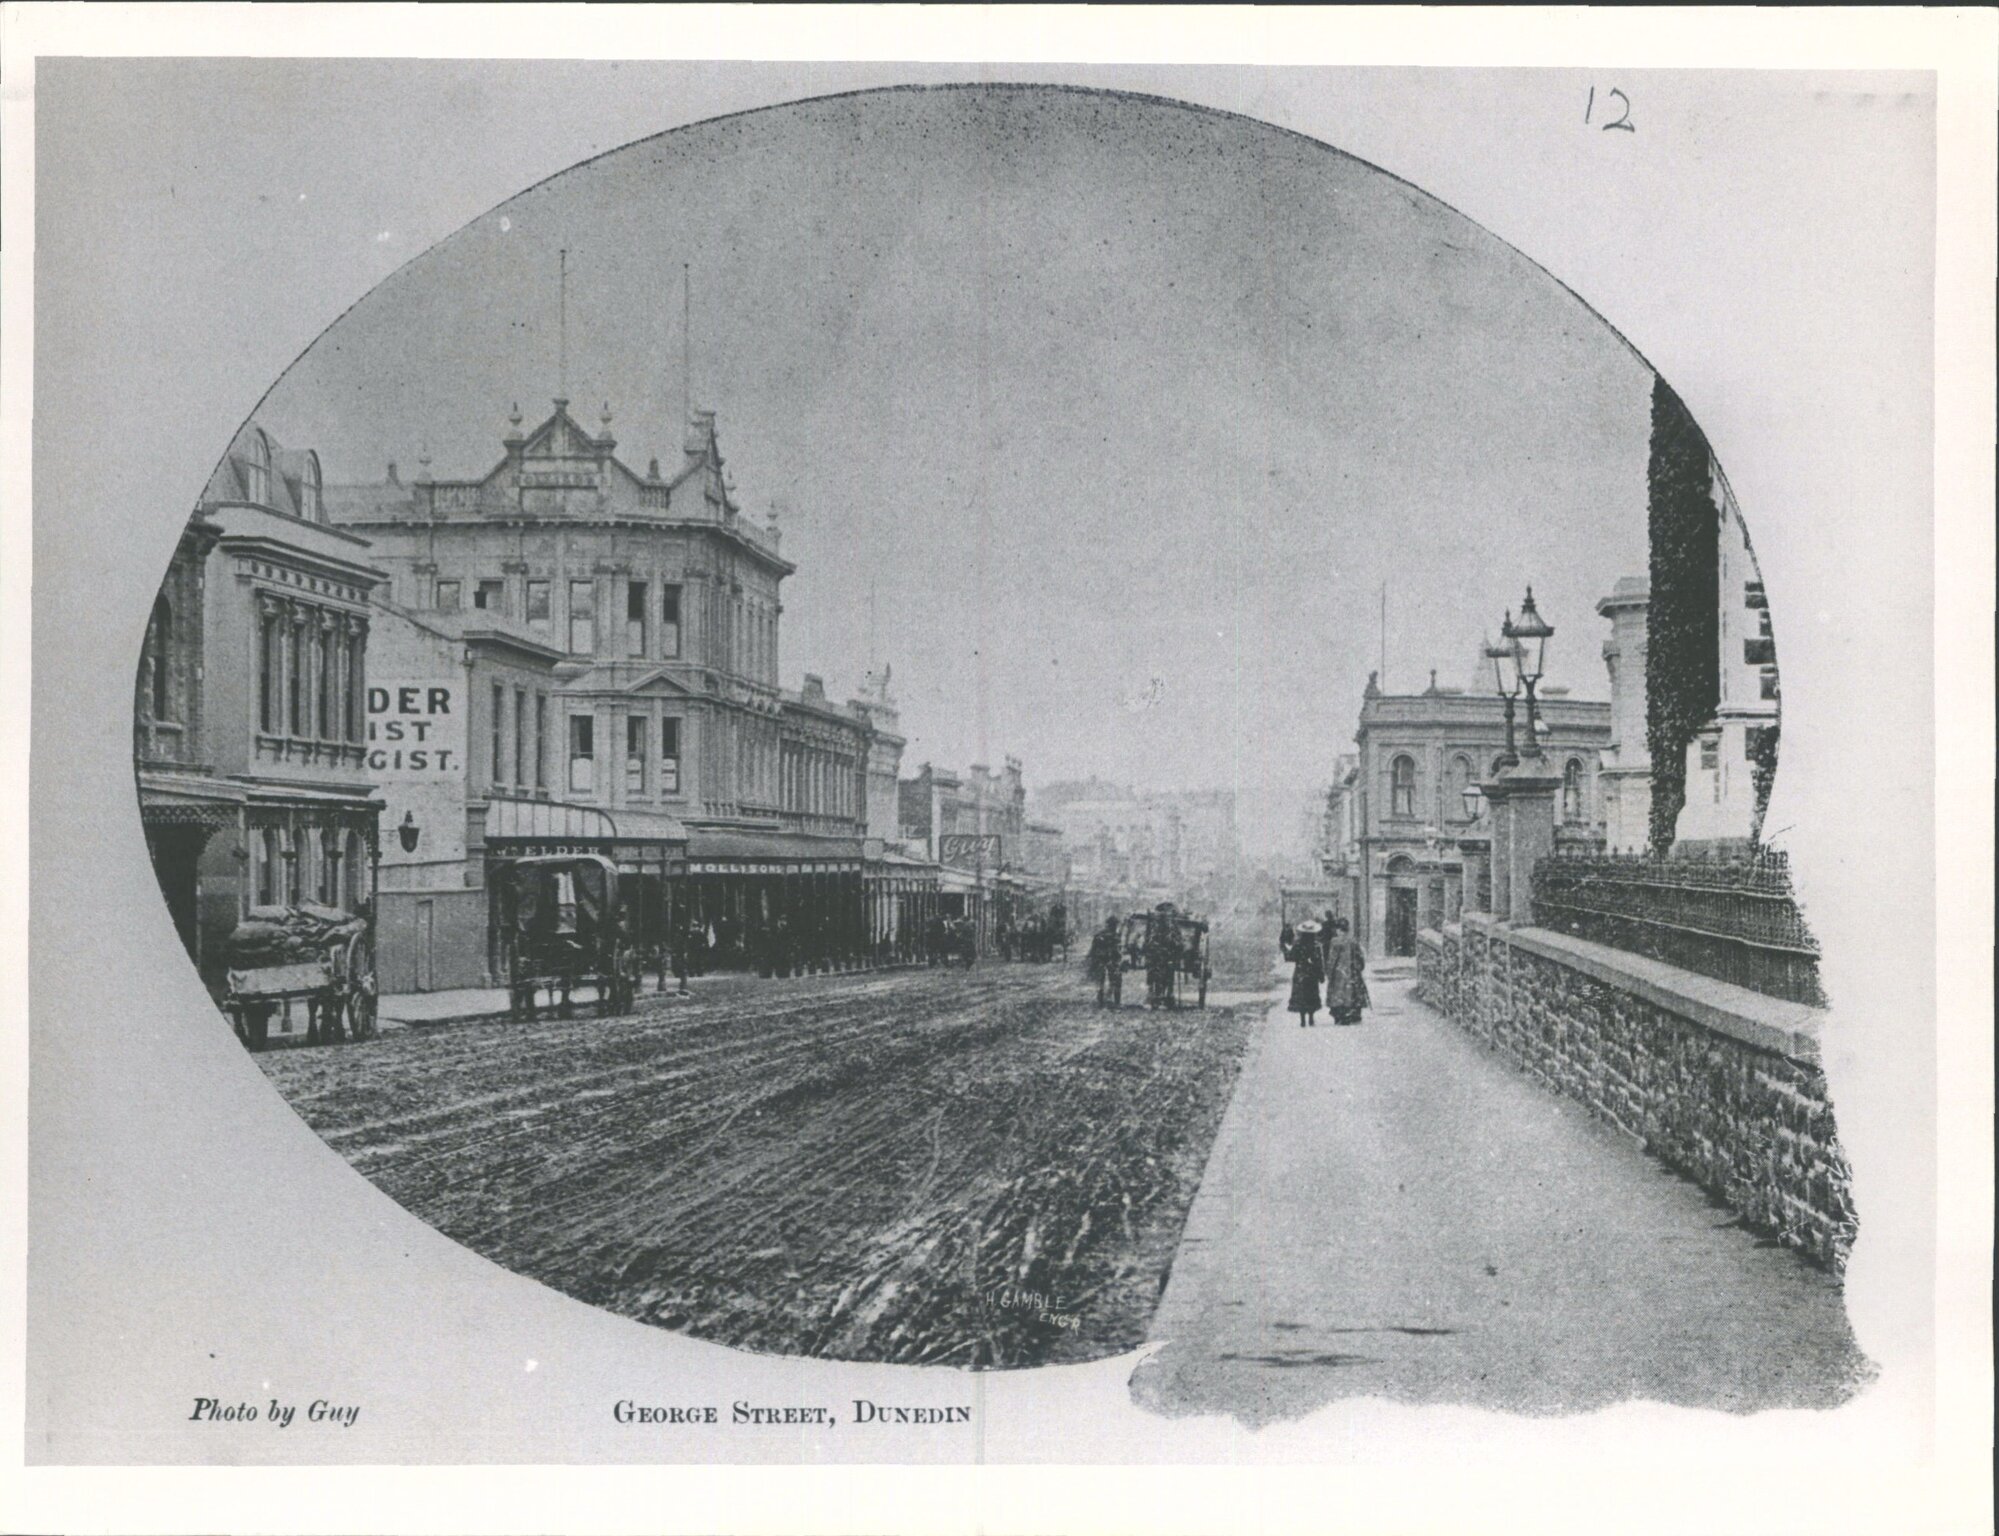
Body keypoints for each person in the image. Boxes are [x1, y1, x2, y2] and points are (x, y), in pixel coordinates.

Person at [1325, 917, 1369, 1027]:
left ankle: (1340, 1014)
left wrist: (1329, 972)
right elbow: (1360, 958)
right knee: (1353, 992)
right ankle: (1352, 1013)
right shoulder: (1353, 941)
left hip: (1339, 972)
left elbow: (1332, 959)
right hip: (1352, 972)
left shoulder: (1335, 942)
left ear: (1338, 929)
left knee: (1338, 994)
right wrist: (1359, 967)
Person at [1288, 919, 1324, 1027]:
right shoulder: (1316, 946)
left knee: (1301, 996)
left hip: (1300, 972)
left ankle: (1302, 1019)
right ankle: (1311, 1018)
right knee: (1311, 995)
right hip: (1312, 973)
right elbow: (1319, 961)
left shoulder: (1298, 944)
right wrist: (1321, 975)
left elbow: (1292, 957)